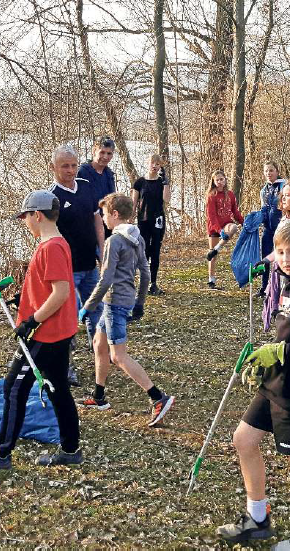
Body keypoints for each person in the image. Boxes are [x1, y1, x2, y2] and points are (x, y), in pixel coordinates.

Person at [216, 222, 290, 551]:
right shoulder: (288, 282)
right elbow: (287, 333)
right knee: (243, 439)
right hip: (277, 383)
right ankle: (258, 518)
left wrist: (278, 352)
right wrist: (264, 363)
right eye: (281, 252)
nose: (286, 258)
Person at [0, 191, 82, 471]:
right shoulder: (57, 242)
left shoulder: (50, 247)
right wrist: (23, 300)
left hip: (44, 335)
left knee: (14, 389)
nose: (25, 221)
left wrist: (32, 321)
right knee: (58, 390)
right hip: (58, 332)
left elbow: (61, 292)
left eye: (25, 216)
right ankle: (70, 449)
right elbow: (48, 286)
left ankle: (0, 455)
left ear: (37, 215)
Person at [77, 193, 175, 426]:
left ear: (114, 214)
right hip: (125, 300)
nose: (102, 219)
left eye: (103, 215)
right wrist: (139, 302)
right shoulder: (137, 238)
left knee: (117, 356)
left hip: (113, 304)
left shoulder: (113, 242)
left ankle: (158, 397)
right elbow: (146, 273)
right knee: (99, 344)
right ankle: (99, 396)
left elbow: (105, 279)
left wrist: (87, 306)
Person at [49, 144, 106, 386]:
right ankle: (66, 366)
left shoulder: (85, 186)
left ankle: (101, 356)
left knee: (97, 313)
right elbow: (47, 236)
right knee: (68, 321)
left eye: (73, 165)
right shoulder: (51, 198)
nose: (70, 170)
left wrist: (103, 252)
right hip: (67, 272)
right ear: (54, 168)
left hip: (90, 266)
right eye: (65, 166)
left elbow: (97, 221)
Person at [256, 180, 290, 330]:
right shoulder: (284, 219)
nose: (283, 198)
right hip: (280, 270)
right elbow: (279, 248)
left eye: (287, 195)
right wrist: (266, 260)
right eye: (283, 195)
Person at [132, 153, 171, 295]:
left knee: (155, 251)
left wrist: (166, 183)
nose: (154, 166)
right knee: (143, 252)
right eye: (152, 163)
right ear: (147, 163)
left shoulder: (162, 182)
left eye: (158, 164)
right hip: (143, 221)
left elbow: (166, 200)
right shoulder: (139, 182)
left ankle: (153, 284)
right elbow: (134, 203)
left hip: (158, 221)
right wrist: (128, 220)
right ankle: (143, 282)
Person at [205, 169, 243, 289]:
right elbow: (212, 216)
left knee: (233, 228)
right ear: (214, 182)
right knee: (213, 256)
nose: (220, 182)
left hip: (226, 224)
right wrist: (218, 230)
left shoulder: (230, 194)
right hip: (214, 227)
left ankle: (217, 248)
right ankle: (211, 280)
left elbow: (235, 211)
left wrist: (243, 221)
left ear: (225, 180)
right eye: (217, 180)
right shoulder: (211, 196)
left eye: (222, 179)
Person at [78, 136, 117, 238]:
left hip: (107, 227)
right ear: (94, 151)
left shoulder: (109, 175)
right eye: (102, 152)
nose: (105, 157)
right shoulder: (82, 173)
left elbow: (112, 200)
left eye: (109, 153)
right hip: (88, 227)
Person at [259, 162, 287, 297]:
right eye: (266, 171)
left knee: (280, 256)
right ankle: (264, 287)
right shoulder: (264, 190)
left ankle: (281, 287)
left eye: (271, 170)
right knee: (265, 257)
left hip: (281, 228)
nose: (268, 173)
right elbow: (263, 208)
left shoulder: (283, 186)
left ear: (277, 171)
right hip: (268, 229)